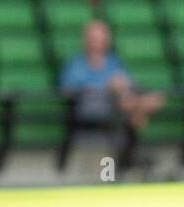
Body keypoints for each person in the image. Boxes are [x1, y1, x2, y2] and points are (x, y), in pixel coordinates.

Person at [59, 19, 166, 169]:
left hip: (116, 105)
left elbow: (126, 82)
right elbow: (67, 91)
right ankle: (129, 153)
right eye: (94, 37)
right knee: (130, 108)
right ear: (85, 40)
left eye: (101, 37)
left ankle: (136, 113)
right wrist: (104, 87)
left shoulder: (113, 61)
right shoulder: (75, 64)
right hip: (91, 106)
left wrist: (120, 86)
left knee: (131, 99)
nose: (98, 41)